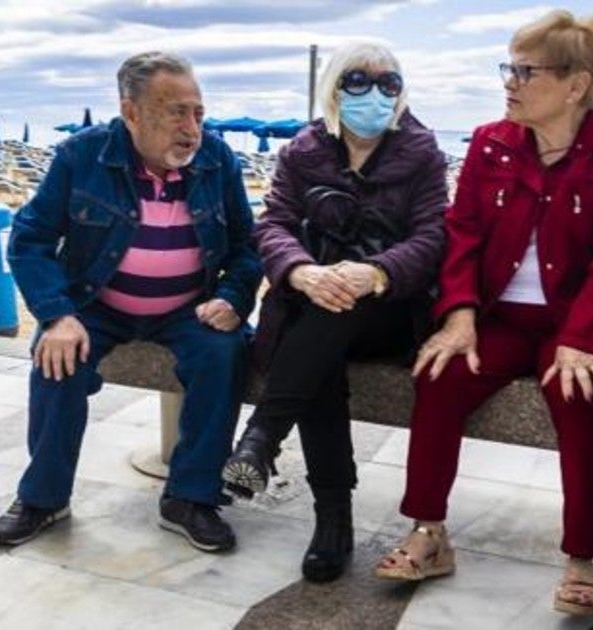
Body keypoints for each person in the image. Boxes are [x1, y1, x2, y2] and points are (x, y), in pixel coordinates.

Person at [374, 9, 593, 618]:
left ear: (576, 84)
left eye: (524, 70)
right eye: (509, 66)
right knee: (440, 375)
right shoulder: (490, 140)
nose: (509, 81)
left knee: (579, 394)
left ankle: (585, 555)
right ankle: (429, 532)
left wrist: (585, 338)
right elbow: (463, 233)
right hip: (497, 317)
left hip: (573, 322)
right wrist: (458, 314)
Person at [0, 51, 261, 553]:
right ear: (131, 112)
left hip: (189, 306)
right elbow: (29, 239)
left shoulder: (218, 159)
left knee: (224, 353)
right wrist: (57, 315)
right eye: (175, 112)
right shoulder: (81, 155)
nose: (192, 128)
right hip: (95, 302)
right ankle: (44, 497)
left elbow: (248, 246)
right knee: (57, 360)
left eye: (198, 113)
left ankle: (190, 498)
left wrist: (232, 297)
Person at [219, 42, 448, 583]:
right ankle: (332, 518)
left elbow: (434, 234)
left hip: (391, 307)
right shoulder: (304, 150)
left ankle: (262, 439)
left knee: (336, 305)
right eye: (358, 80)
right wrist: (300, 272)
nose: (374, 92)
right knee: (321, 334)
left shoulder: (422, 151)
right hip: (311, 302)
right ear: (334, 89)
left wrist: (377, 272)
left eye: (388, 83)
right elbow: (272, 224)